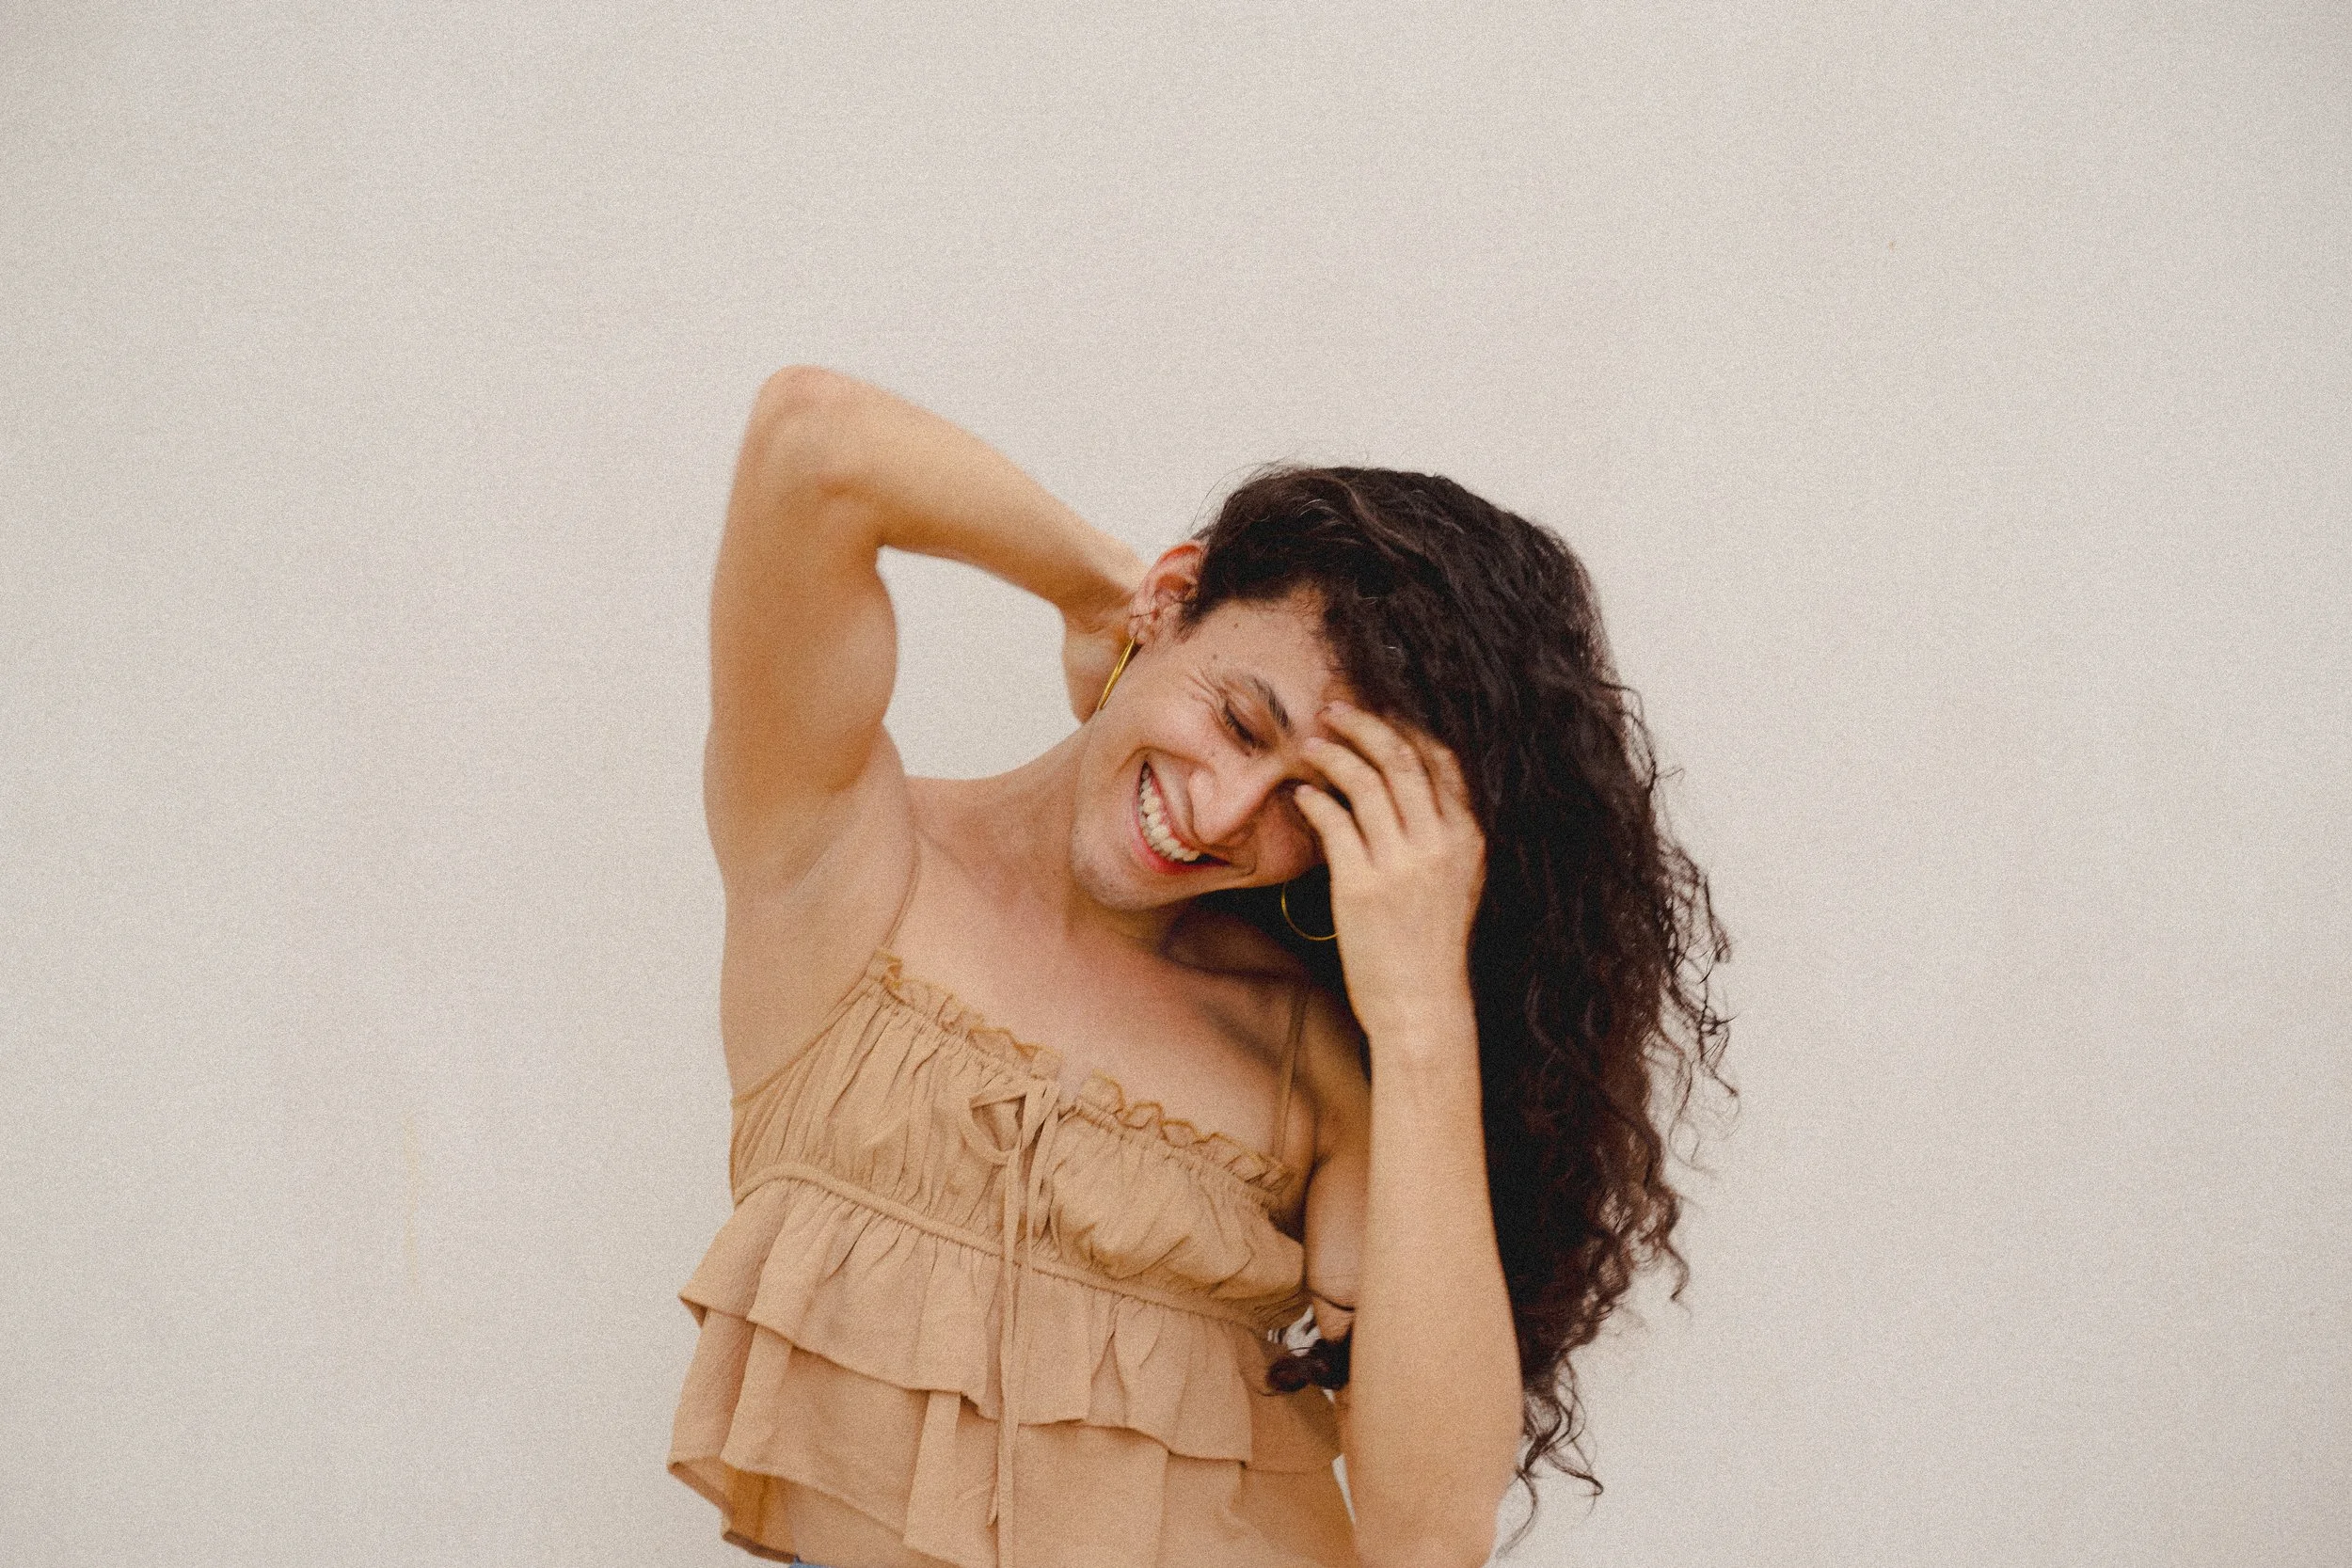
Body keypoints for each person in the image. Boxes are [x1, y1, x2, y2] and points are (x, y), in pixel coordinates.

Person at [666, 367, 1731, 1568]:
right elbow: (814, 442)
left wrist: (1425, 1010)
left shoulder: (1314, 1058)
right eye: (1238, 719)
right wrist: (1095, 586)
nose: (1225, 812)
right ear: (1174, 604)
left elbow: (1430, 1537)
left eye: (1310, 804)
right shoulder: (841, 852)